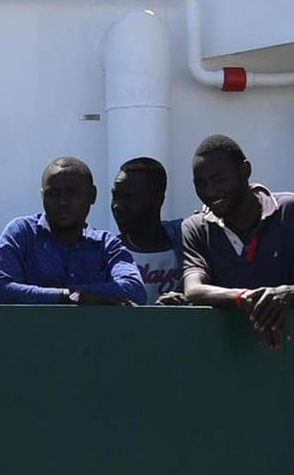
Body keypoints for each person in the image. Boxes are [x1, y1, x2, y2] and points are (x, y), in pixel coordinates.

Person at [0, 157, 146, 305]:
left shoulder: (106, 245)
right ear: (42, 196)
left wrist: (64, 296)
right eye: (53, 194)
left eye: (72, 193)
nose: (62, 202)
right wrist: (72, 297)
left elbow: (134, 290)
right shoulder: (23, 233)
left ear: (92, 195)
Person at [180, 134, 294, 348]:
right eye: (200, 184)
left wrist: (288, 293)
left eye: (218, 179)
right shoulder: (196, 228)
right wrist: (245, 298)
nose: (210, 191)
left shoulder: (288, 210)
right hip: (228, 361)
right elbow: (194, 290)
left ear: (245, 171)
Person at [110, 156, 185, 305]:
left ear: (158, 199)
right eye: (115, 196)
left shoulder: (186, 241)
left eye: (129, 197)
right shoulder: (109, 254)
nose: (118, 206)